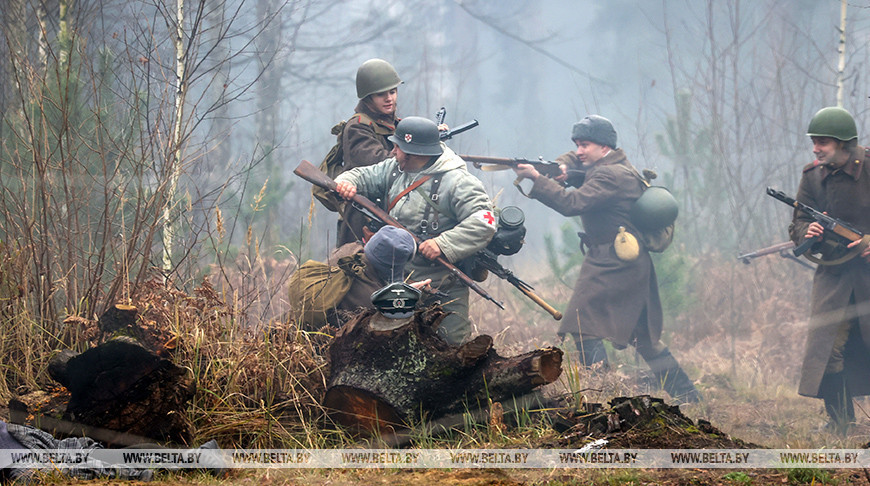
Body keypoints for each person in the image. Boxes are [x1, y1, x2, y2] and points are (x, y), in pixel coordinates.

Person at [512, 115, 700, 404]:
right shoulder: (611, 164)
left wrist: (538, 179)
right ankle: (690, 399)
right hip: (619, 260)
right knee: (644, 339)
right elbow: (573, 162)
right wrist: (562, 167)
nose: (579, 151)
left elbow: (570, 204)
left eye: (585, 144)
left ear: (604, 147)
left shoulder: (609, 175)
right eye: (576, 144)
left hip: (614, 261)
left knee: (580, 321)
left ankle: (599, 393)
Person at [334, 116, 497, 345]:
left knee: (451, 348)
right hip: (394, 284)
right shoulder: (393, 169)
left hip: (443, 288)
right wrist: (347, 181)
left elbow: (484, 220)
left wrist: (443, 244)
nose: (393, 152)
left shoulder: (458, 181)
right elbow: (362, 175)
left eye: (398, 147)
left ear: (414, 152)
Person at [788, 106, 870, 434]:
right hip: (834, 278)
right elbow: (797, 222)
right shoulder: (812, 176)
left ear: (842, 143)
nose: (815, 148)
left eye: (822, 142)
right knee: (827, 351)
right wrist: (806, 232)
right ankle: (841, 423)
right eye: (814, 142)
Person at [335, 58, 403, 247]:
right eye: (381, 94)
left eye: (393, 91)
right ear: (367, 97)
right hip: (363, 214)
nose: (389, 98)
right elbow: (379, 164)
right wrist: (415, 150)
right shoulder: (357, 127)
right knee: (360, 271)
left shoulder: (394, 124)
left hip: (390, 211)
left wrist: (428, 137)